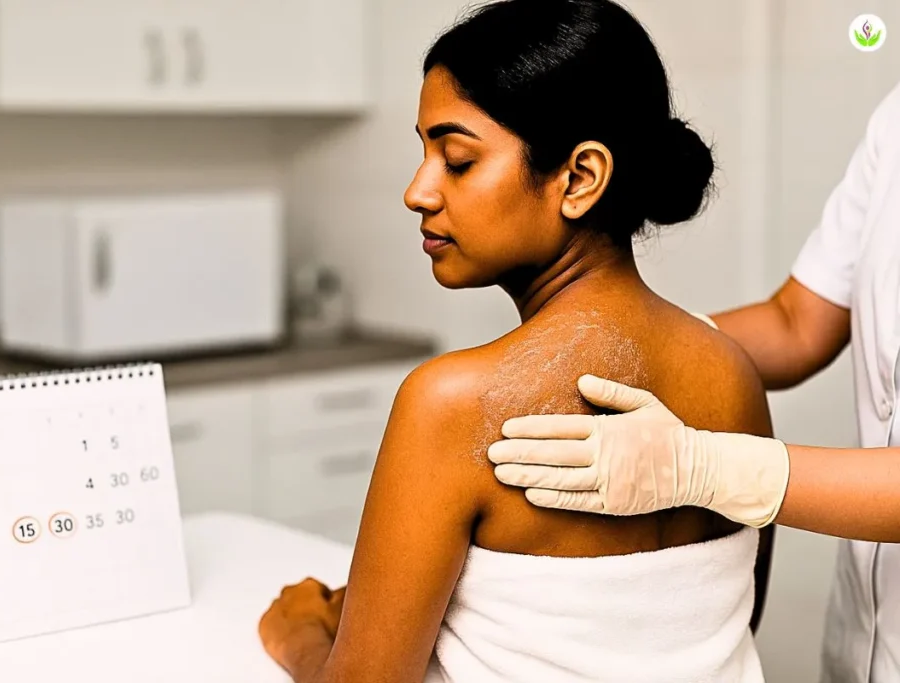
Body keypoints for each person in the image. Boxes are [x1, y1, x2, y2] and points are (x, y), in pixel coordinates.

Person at [257, 1, 775, 681]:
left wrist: (299, 631)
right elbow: (713, 622)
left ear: (580, 178)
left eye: (458, 159)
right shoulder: (733, 373)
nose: (418, 191)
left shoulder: (452, 403)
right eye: (424, 153)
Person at [487, 76, 900, 682]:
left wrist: (707, 468)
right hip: (865, 635)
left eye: (458, 160)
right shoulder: (894, 118)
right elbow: (795, 324)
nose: (419, 194)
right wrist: (652, 347)